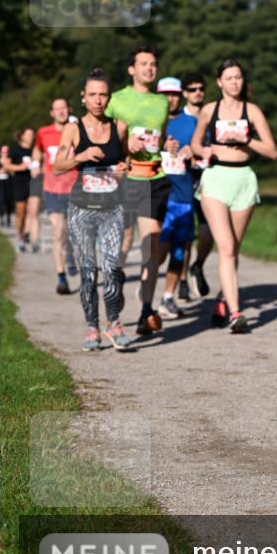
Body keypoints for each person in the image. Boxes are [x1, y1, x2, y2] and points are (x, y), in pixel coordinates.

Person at [191, 59, 277, 332]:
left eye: (238, 77)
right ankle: (236, 312)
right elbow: (195, 142)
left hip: (243, 179)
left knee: (233, 249)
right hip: (216, 179)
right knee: (226, 247)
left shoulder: (251, 111)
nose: (234, 82)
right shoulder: (208, 110)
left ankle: (222, 298)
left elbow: (272, 151)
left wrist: (246, 140)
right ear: (219, 82)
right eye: (229, 78)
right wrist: (202, 151)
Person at [54, 69, 131, 351]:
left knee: (112, 269)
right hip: (81, 209)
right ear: (83, 98)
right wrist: (81, 156)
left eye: (103, 95)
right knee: (88, 273)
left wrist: (124, 167)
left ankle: (114, 321)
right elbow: (57, 166)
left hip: (112, 208)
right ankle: (91, 327)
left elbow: (124, 159)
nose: (99, 100)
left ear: (108, 98)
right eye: (93, 95)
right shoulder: (73, 129)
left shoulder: (119, 126)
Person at [106, 45, 178, 337]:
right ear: (131, 69)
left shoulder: (162, 103)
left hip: (155, 178)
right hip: (127, 180)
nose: (150, 68)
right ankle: (117, 282)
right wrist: (125, 147)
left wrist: (167, 147)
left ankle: (146, 309)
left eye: (153, 64)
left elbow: (157, 141)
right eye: (144, 63)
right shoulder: (117, 100)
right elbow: (106, 140)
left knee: (152, 245)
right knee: (124, 245)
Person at [155, 76, 192, 319]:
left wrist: (194, 151)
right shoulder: (151, 122)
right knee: (158, 249)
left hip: (183, 195)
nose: (171, 99)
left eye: (175, 94)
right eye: (167, 94)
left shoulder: (192, 122)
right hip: (157, 194)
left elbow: (205, 150)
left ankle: (168, 296)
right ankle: (147, 287)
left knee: (179, 251)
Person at [34, 97, 78, 295]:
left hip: (75, 188)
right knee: (57, 230)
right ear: (52, 113)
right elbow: (37, 150)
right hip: (52, 188)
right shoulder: (44, 132)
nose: (61, 112)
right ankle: (61, 277)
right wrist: (36, 164)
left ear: (69, 109)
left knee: (71, 231)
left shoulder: (76, 130)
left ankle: (70, 256)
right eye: (57, 109)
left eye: (64, 108)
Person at [178, 72, 214, 302]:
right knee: (185, 235)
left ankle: (197, 265)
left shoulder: (212, 116)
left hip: (209, 179)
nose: (197, 92)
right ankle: (181, 281)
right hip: (183, 181)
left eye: (200, 88)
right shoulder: (177, 121)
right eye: (192, 89)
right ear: (185, 93)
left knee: (208, 230)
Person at [3, 127, 35, 251]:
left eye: (32, 134)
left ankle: (28, 234)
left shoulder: (35, 149)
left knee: (33, 212)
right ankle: (20, 237)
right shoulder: (15, 149)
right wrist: (20, 167)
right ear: (22, 136)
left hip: (33, 182)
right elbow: (6, 166)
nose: (31, 137)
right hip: (19, 183)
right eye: (28, 134)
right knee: (21, 213)